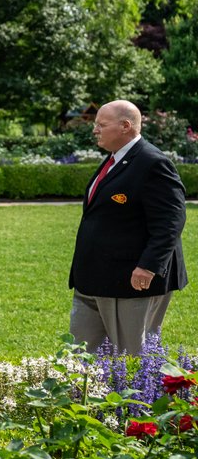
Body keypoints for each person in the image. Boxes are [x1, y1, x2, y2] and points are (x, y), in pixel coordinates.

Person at [69, 100, 187, 355]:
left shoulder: (152, 163)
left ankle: (141, 397)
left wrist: (148, 266)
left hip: (132, 282)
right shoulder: (114, 160)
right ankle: (79, 395)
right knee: (78, 356)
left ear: (125, 126)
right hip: (94, 277)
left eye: (102, 124)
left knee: (133, 358)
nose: (95, 130)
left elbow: (171, 221)